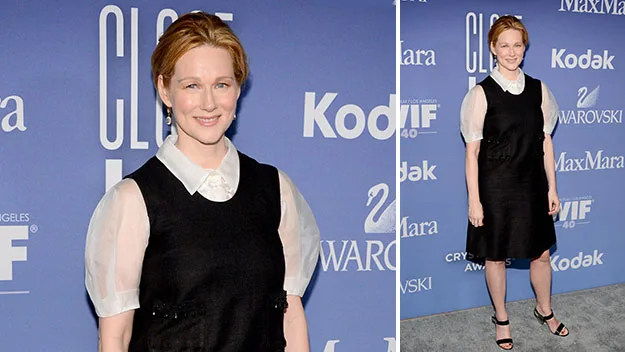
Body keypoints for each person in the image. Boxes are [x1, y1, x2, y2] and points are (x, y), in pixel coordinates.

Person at [85, 12, 320, 352]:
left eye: (221, 84)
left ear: (238, 89)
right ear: (165, 89)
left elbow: (291, 315)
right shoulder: (133, 200)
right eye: (191, 85)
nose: (209, 103)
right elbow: (115, 337)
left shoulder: (276, 189)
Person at [460, 15, 569, 350]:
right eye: (504, 45)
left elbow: (546, 143)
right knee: (495, 256)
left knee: (541, 255)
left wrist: (552, 187)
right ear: (493, 48)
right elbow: (471, 153)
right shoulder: (480, 93)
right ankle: (502, 317)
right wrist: (474, 200)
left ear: (525, 48)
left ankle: (544, 308)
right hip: (495, 187)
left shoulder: (540, 89)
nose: (511, 51)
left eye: (517, 45)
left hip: (533, 185)